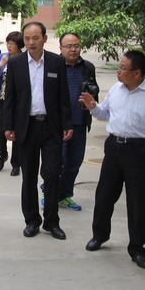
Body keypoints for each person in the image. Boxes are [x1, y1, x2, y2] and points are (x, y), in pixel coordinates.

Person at [80, 50, 145, 270]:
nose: (118, 71)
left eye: (123, 68)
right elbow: (105, 113)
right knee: (104, 195)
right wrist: (93, 107)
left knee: (138, 202)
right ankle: (99, 235)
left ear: (137, 73)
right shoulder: (116, 89)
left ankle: (137, 249)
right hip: (114, 148)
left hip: (139, 151)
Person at [4, 22, 72, 240]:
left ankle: (52, 222)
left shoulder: (56, 62)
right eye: (27, 38)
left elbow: (63, 96)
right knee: (29, 175)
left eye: (35, 38)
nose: (31, 42)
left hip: (51, 126)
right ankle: (32, 220)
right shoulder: (15, 63)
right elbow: (10, 98)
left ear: (44, 38)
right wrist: (9, 126)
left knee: (52, 174)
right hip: (27, 126)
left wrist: (67, 124)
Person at [57, 32, 99, 211]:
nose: (73, 49)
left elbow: (94, 91)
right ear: (60, 48)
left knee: (74, 162)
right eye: (69, 46)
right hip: (59, 124)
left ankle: (64, 195)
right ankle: (48, 191)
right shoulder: (54, 65)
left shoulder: (88, 67)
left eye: (76, 46)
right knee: (57, 161)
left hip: (80, 121)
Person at [0, 31, 24, 176]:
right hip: (3, 99)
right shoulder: (2, 57)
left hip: (18, 101)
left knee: (16, 131)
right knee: (1, 131)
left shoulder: (24, 59)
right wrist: (1, 64)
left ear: (19, 45)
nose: (9, 46)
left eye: (12, 44)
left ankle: (16, 163)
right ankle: (2, 155)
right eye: (8, 43)